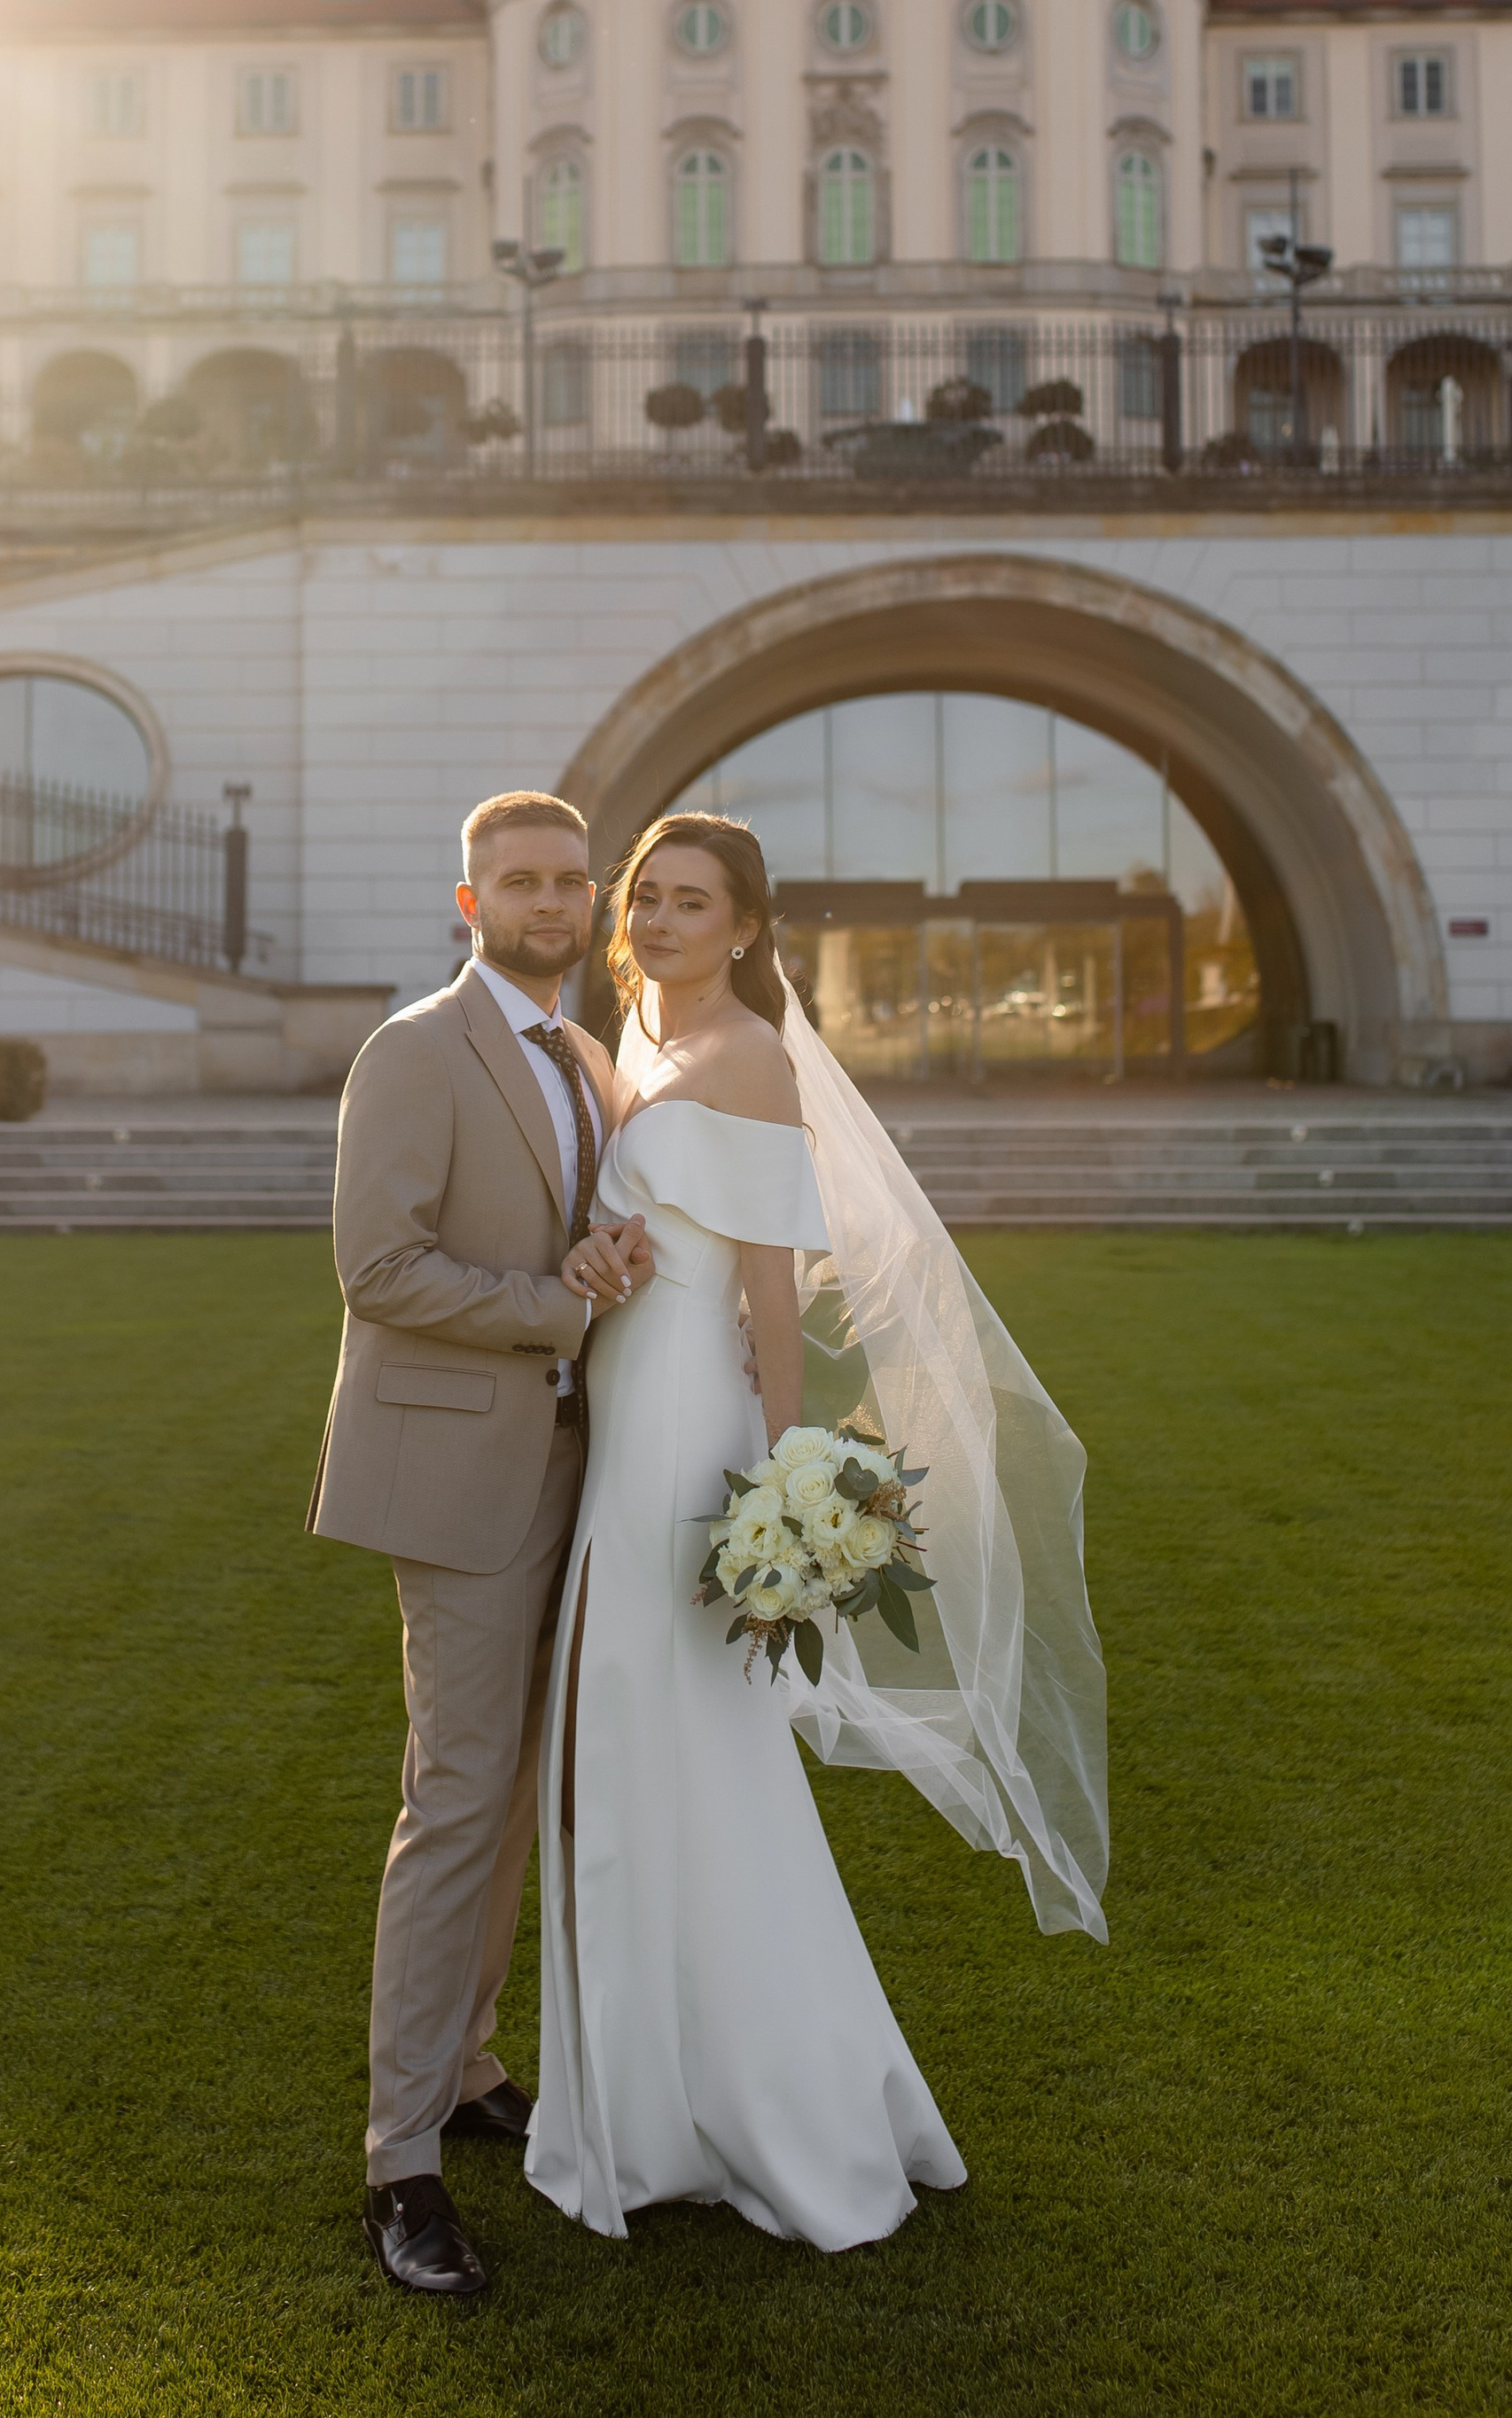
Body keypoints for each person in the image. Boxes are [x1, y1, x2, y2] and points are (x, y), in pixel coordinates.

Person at [525, 813, 1110, 2252]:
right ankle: (645, 2098)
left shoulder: (749, 1059)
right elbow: (644, 1247)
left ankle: (769, 2105)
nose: (659, 921)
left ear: (745, 929)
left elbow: (774, 1304)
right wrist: (597, 1260)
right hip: (624, 1410)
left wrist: (778, 1493)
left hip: (684, 1444)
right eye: (645, 899)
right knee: (629, 1759)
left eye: (693, 903)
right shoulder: (637, 1048)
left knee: (687, 1758)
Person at [310, 791, 654, 2305]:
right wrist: (561, 1306)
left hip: (584, 1467)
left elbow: (595, 1243)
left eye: (572, 883)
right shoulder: (413, 1049)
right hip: (459, 1472)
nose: (550, 904)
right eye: (520, 883)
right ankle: (400, 2161)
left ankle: (468, 2067)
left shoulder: (589, 1056)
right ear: (469, 903)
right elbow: (378, 1268)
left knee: (521, 1792)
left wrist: (614, 1271)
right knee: (454, 1799)